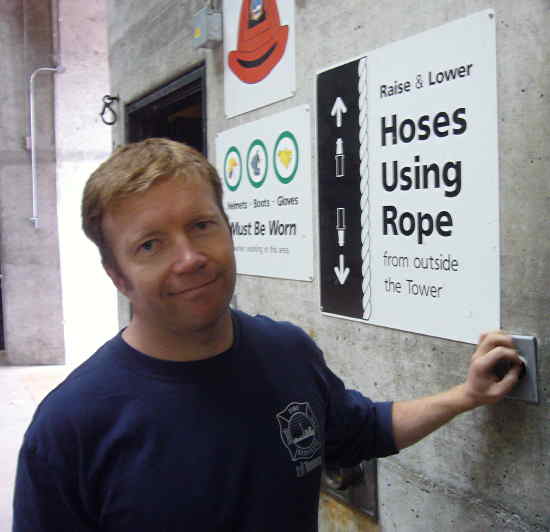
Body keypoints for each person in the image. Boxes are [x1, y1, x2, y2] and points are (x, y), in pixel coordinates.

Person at [12, 138, 522, 531]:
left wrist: (466, 395)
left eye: (202, 224)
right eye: (150, 245)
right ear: (117, 275)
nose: (190, 258)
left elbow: (362, 428)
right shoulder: (69, 427)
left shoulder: (287, 352)